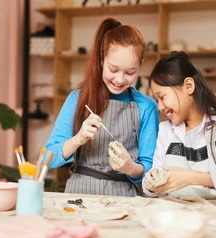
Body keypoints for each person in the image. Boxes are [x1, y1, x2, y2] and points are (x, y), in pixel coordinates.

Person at [46, 17, 159, 197]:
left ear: (140, 65)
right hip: (78, 196)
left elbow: (151, 172)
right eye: (113, 70)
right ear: (101, 60)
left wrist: (130, 167)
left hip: (124, 199)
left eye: (130, 72)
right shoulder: (77, 99)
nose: (120, 79)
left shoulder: (147, 106)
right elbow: (47, 158)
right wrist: (78, 139)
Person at [142, 51, 216, 202]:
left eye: (162, 97)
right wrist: (151, 182)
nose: (160, 107)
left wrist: (194, 178)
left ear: (189, 86)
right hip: (180, 219)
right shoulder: (165, 130)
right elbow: (157, 176)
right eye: (156, 100)